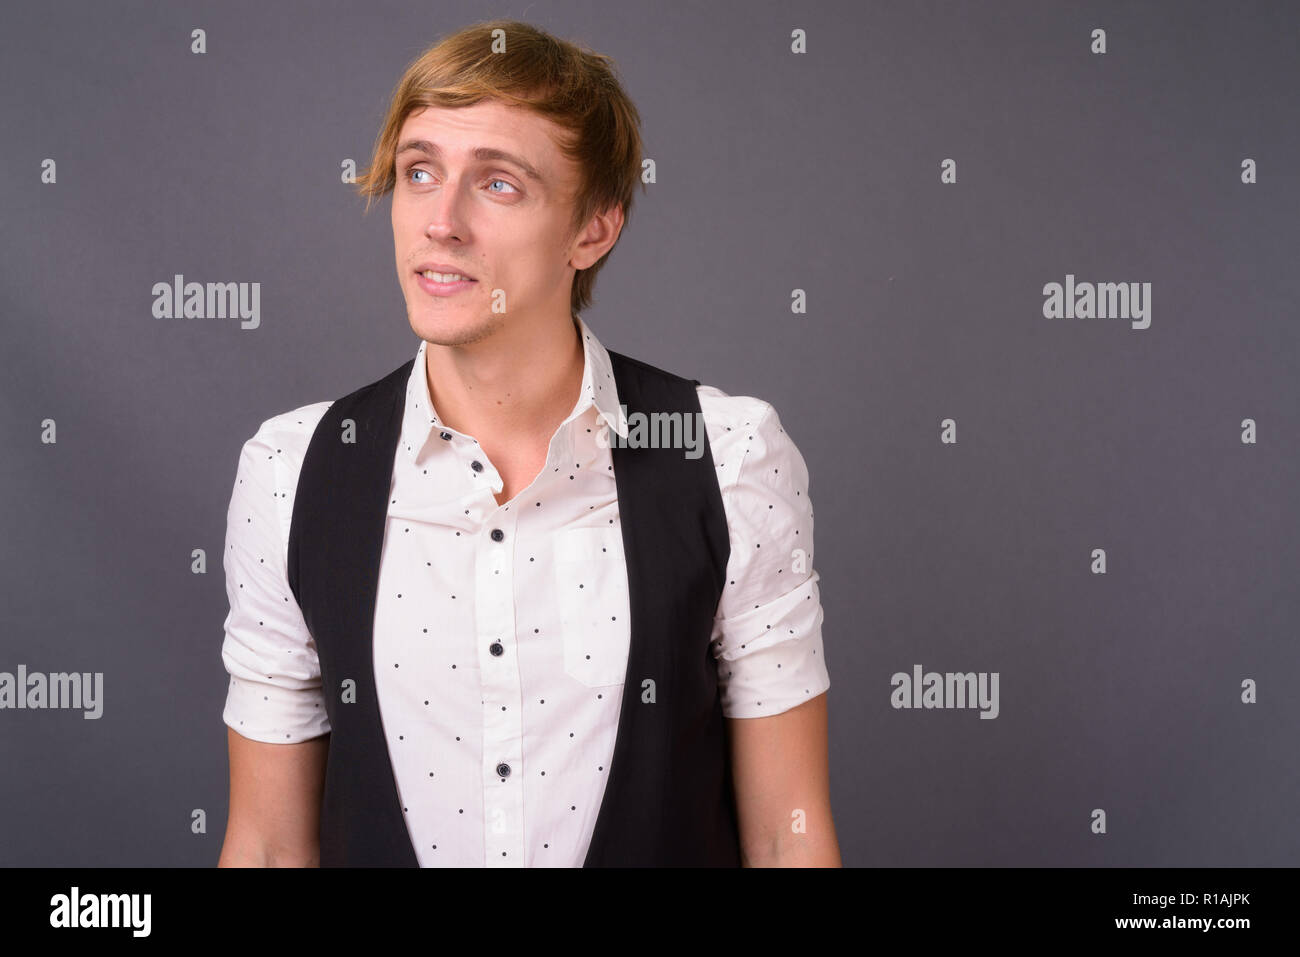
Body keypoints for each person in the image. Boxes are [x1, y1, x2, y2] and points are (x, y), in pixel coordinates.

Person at [216, 18, 839, 867]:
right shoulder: (292, 473)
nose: (440, 221)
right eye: (419, 171)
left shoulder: (729, 459)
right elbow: (265, 847)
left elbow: (786, 837)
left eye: (498, 184)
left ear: (594, 230)